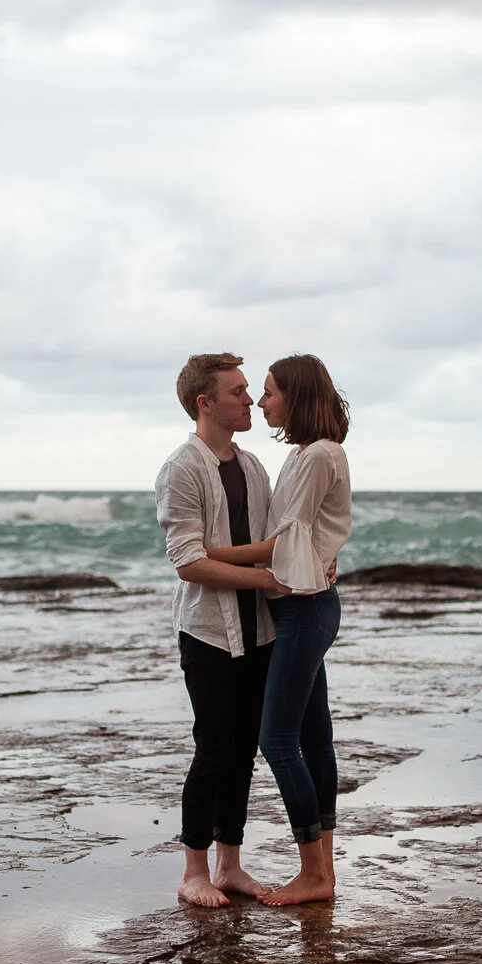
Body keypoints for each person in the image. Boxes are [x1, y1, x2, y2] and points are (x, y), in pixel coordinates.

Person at [201, 354, 351, 906]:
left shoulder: (316, 457)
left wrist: (209, 554)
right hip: (302, 605)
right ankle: (321, 872)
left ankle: (314, 871)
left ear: (296, 396)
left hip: (305, 608)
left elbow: (284, 543)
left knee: (278, 741)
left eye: (267, 392)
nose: (260, 402)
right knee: (312, 739)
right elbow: (306, 536)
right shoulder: (302, 456)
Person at [155, 353, 290, 908]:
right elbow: (187, 562)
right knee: (213, 749)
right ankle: (193, 871)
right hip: (208, 632)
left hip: (259, 630)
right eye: (236, 392)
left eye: (249, 391)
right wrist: (264, 576)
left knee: (243, 752)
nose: (250, 401)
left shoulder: (254, 465)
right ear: (204, 403)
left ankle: (229, 865)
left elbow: (271, 538)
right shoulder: (181, 467)